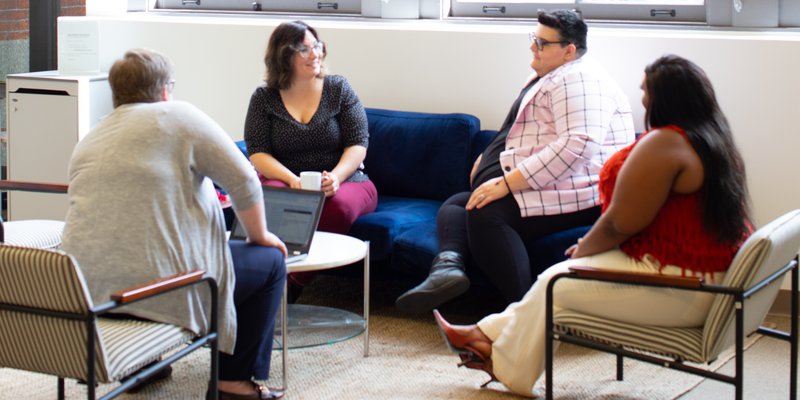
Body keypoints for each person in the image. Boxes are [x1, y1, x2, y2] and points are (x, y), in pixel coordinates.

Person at [432, 54, 752, 397]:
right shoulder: (713, 140)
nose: (641, 97)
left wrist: (585, 250)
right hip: (700, 271)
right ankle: (483, 337)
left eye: (646, 90)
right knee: (556, 280)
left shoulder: (666, 143)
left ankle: (502, 361)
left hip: (684, 284)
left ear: (665, 97)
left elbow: (619, 222)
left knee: (558, 282)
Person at [61, 48, 287, 400]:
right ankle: (234, 379)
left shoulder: (92, 136)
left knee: (143, 248)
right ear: (165, 89)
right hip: (163, 292)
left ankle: (140, 366)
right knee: (270, 263)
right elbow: (245, 181)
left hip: (89, 293)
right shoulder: (178, 116)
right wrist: (261, 235)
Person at [395, 9, 636, 313]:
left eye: (542, 42)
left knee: (486, 214)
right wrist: (489, 156)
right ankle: (447, 268)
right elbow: (525, 131)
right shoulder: (550, 75)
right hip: (557, 184)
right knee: (458, 203)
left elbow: (579, 145)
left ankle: (524, 313)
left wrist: (507, 182)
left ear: (568, 50)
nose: (533, 47)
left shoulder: (581, 80)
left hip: (582, 192)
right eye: (533, 38)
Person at [244, 20, 378, 298]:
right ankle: (268, 276)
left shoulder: (338, 88)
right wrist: (291, 179)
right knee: (274, 198)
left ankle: (291, 283)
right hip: (287, 179)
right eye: (304, 49)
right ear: (284, 56)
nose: (315, 54)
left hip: (347, 180)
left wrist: (337, 177)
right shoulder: (264, 98)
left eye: (316, 46)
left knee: (336, 206)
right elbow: (257, 151)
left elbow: (358, 143)